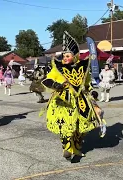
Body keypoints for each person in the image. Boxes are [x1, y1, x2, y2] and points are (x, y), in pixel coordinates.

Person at [40, 31, 99, 161]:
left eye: (68, 55)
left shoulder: (82, 69)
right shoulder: (57, 68)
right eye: (64, 56)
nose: (66, 58)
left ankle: (76, 148)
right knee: (65, 125)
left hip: (81, 101)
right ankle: (67, 148)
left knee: (81, 127)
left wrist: (92, 92)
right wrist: (56, 85)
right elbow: (46, 80)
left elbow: (87, 84)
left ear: (75, 56)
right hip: (63, 101)